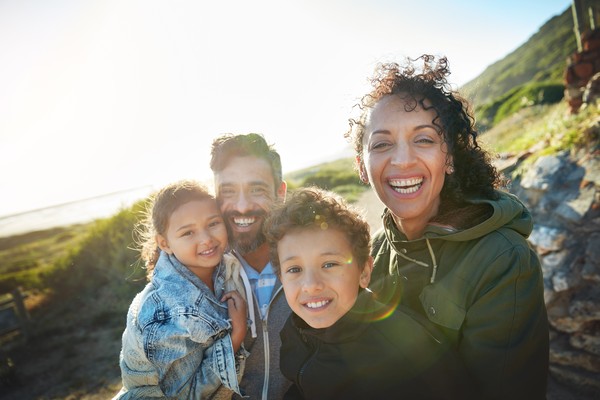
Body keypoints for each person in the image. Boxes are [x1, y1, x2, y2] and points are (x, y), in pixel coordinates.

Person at [344, 55, 549, 399]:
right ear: (362, 166)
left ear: (449, 157)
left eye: (423, 139)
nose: (403, 159)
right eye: (381, 144)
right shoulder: (369, 254)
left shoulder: (503, 261)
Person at [263, 187, 476, 400]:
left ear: (364, 272)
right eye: (294, 269)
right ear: (281, 278)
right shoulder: (295, 332)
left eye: (329, 264)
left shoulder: (397, 355)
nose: (311, 285)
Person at [114, 180, 248, 399]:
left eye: (213, 223)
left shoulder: (220, 268)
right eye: (188, 233)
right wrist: (235, 336)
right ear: (164, 243)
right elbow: (183, 396)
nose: (206, 239)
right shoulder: (169, 312)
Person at [210, 133, 291, 399]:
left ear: (281, 193)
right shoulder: (199, 277)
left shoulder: (313, 263)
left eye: (257, 190)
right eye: (228, 191)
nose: (242, 207)